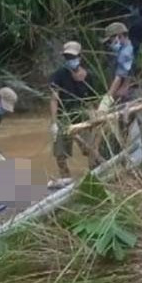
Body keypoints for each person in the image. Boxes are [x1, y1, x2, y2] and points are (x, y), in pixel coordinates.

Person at [49, 40, 95, 179]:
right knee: (60, 151)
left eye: (73, 57)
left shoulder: (89, 76)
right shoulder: (59, 75)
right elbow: (54, 99)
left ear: (80, 57)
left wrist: (95, 118)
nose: (70, 60)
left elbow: (93, 102)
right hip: (65, 115)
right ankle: (65, 177)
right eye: (67, 58)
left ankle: (94, 173)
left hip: (82, 114)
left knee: (91, 148)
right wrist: (54, 122)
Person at [103, 22, 134, 103]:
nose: (110, 44)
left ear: (118, 36)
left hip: (130, 93)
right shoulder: (129, 48)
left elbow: (119, 77)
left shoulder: (125, 53)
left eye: (110, 41)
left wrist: (107, 98)